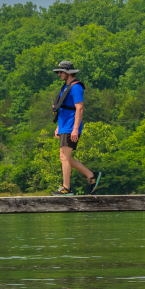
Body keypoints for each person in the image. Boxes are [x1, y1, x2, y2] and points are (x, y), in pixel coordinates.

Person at [52, 61, 102, 195]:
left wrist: (75, 129)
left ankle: (66, 188)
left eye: (61, 72)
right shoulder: (65, 87)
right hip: (64, 126)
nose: (59, 74)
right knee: (65, 157)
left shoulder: (76, 87)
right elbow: (64, 108)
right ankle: (91, 175)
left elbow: (79, 108)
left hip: (70, 126)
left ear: (68, 72)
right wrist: (58, 127)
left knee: (64, 157)